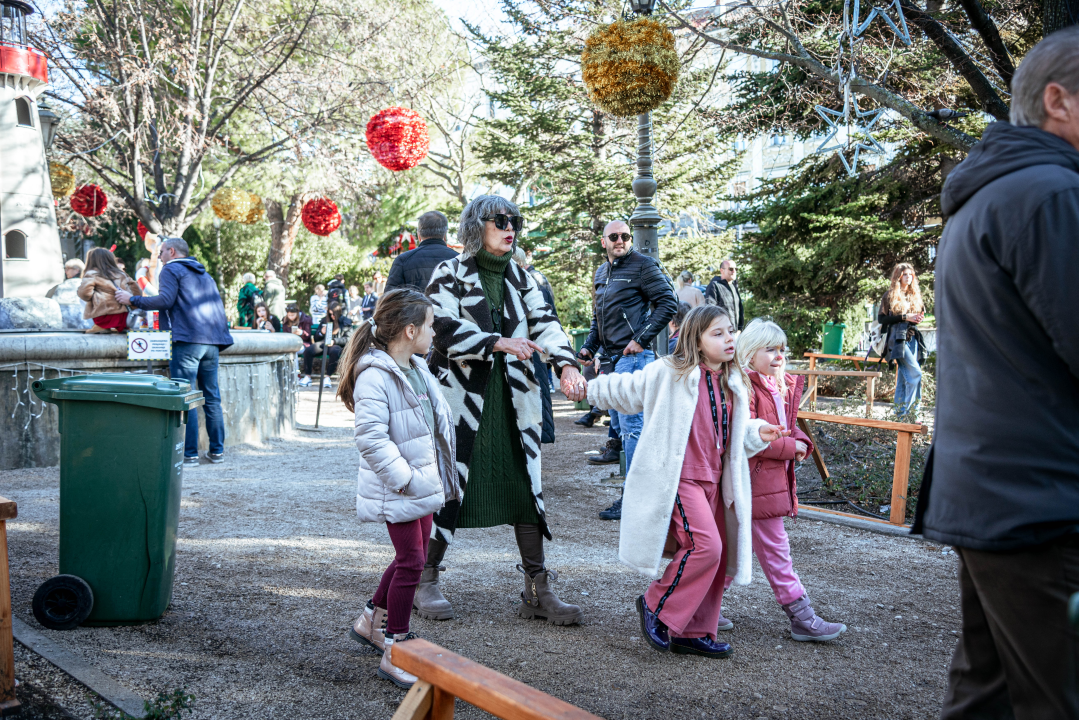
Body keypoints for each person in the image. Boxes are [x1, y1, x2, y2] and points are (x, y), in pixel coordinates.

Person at [912, 28, 1079, 719]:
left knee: (987, 698)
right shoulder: (1049, 195)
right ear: (1057, 101)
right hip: (1044, 500)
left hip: (995, 494)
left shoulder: (987, 196)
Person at [419, 194, 588, 625]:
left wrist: (566, 364)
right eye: (501, 219)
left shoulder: (522, 277)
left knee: (525, 489)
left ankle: (537, 590)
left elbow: (547, 323)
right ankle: (424, 580)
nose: (510, 225)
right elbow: (441, 330)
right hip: (463, 402)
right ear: (477, 224)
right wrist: (497, 341)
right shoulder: (449, 272)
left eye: (515, 219)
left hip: (514, 401)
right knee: (449, 486)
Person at [586, 305, 783, 658]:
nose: (729, 339)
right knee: (706, 546)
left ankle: (692, 631)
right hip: (679, 479)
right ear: (696, 338)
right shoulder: (670, 372)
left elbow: (734, 434)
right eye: (717, 333)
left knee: (718, 558)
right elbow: (626, 390)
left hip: (717, 481)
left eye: (731, 331)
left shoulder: (734, 379)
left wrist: (759, 432)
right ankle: (655, 603)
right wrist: (587, 386)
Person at [340, 288, 461, 689]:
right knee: (412, 562)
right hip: (403, 487)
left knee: (415, 555)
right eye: (428, 325)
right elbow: (371, 438)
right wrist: (405, 480)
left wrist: (432, 477)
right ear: (410, 330)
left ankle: (370, 620)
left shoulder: (416, 367)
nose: (433, 332)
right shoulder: (375, 374)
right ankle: (396, 649)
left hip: (422, 482)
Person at [732, 319, 846, 641]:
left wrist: (801, 442)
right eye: (769, 349)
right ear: (750, 353)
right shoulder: (747, 389)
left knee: (729, 551)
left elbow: (786, 425)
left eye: (781, 349)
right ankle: (803, 619)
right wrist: (787, 447)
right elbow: (746, 436)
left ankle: (698, 610)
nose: (778, 355)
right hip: (756, 484)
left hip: (767, 482)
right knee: (776, 552)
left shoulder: (776, 386)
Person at [578, 219, 679, 520]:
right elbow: (599, 319)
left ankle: (634, 499)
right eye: (614, 236)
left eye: (625, 236)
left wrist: (640, 339)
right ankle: (646, 495)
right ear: (604, 241)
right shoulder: (601, 272)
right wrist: (588, 347)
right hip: (611, 361)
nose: (620, 240)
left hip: (634, 359)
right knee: (625, 430)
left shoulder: (642, 265)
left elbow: (668, 303)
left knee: (634, 431)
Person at [116, 237, 234, 466]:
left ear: (171, 251)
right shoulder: (204, 273)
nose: (159, 257)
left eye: (161, 252)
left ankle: (189, 454)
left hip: (187, 340)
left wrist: (132, 299)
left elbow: (165, 300)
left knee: (186, 398)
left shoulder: (171, 269)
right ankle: (217, 451)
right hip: (212, 343)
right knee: (212, 398)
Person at [878, 264, 926, 417]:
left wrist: (918, 318)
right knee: (915, 373)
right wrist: (904, 317)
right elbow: (882, 319)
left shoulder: (914, 295)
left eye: (911, 275)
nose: (908, 277)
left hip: (912, 337)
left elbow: (920, 313)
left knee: (903, 378)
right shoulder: (890, 295)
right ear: (898, 276)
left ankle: (900, 414)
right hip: (897, 339)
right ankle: (912, 414)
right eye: (905, 274)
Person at [385, 210, 459, 292]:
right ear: (445, 234)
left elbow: (389, 299)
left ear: (418, 235)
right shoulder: (459, 260)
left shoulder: (403, 260)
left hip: (415, 305)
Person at [77, 248, 141, 333]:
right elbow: (136, 290)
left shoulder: (92, 274)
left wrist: (88, 296)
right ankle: (121, 327)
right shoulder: (121, 274)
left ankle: (102, 326)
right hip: (124, 316)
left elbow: (84, 294)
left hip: (103, 315)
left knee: (95, 298)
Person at [300, 301, 347, 388]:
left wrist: (335, 341)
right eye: (330, 314)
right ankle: (307, 376)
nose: (332, 316)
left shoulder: (345, 321)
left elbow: (347, 338)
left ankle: (327, 377)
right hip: (324, 343)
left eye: (334, 314)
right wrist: (321, 332)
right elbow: (317, 337)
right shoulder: (325, 320)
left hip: (336, 344)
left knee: (335, 351)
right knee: (308, 351)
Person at [705, 259, 744, 331]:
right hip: (722, 332)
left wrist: (740, 329)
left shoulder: (733, 286)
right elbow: (710, 309)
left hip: (735, 333)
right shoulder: (714, 285)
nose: (734, 271)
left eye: (736, 269)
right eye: (731, 269)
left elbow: (739, 309)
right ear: (722, 270)